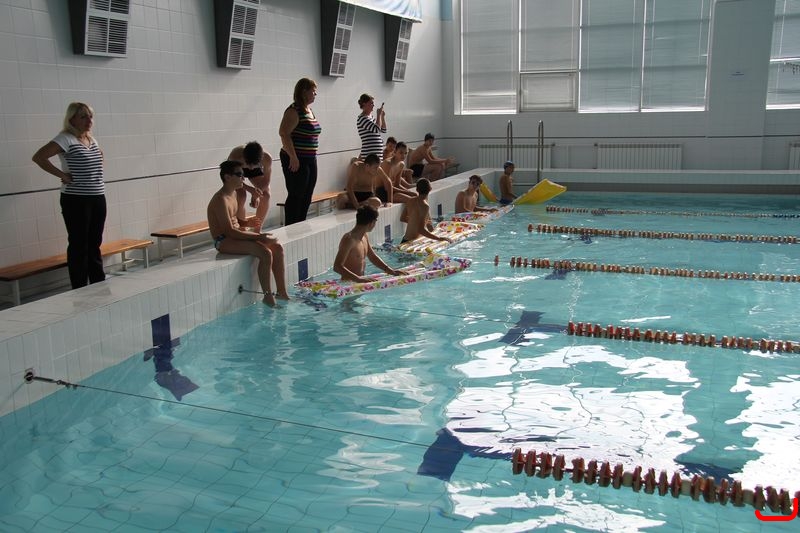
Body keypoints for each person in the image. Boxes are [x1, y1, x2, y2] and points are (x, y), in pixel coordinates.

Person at [32, 102, 106, 290]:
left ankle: (98, 283)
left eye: (90, 116)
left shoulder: (91, 139)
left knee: (94, 242)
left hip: (97, 196)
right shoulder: (65, 139)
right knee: (79, 243)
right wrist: (62, 175)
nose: (89, 120)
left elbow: (99, 159)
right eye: (83, 116)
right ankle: (79, 287)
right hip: (76, 199)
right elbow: (39, 157)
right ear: (72, 119)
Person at [207, 160, 289, 307]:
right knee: (265, 253)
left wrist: (246, 223)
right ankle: (268, 297)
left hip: (236, 234)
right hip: (223, 241)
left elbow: (235, 221)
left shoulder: (233, 194)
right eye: (239, 174)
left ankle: (282, 292)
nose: (243, 178)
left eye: (243, 174)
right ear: (227, 177)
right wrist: (259, 236)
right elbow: (229, 231)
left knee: (277, 248)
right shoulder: (220, 200)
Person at [279, 78, 322, 225]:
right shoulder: (294, 110)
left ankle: (301, 224)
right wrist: (293, 156)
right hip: (296, 159)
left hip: (310, 158)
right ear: (304, 92)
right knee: (296, 194)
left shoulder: (309, 111)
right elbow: (284, 133)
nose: (315, 94)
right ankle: (291, 226)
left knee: (307, 194)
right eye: (313, 91)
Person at [333, 205, 404, 283]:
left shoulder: (364, 236)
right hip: (348, 284)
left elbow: (372, 256)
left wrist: (390, 270)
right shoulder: (349, 239)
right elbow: (337, 266)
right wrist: (358, 279)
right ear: (372, 223)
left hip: (360, 282)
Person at [228, 141, 272, 230]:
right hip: (236, 172)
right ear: (243, 157)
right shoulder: (235, 157)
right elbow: (233, 180)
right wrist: (251, 190)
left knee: (266, 195)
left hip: (255, 171)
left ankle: (257, 230)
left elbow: (266, 180)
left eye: (254, 165)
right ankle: (242, 229)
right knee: (241, 196)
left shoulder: (267, 158)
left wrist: (257, 194)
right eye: (248, 164)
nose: (251, 168)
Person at [401, 178, 451, 244]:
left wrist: (414, 223)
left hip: (405, 240)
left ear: (417, 190)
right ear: (430, 189)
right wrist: (439, 238)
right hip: (411, 243)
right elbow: (421, 230)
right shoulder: (425, 206)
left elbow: (402, 218)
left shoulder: (410, 200)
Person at [356, 93, 387, 159]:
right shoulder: (362, 118)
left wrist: (382, 116)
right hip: (369, 154)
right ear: (364, 104)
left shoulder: (371, 117)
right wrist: (378, 115)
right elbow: (377, 129)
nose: (373, 105)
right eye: (371, 103)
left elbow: (383, 130)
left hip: (376, 155)